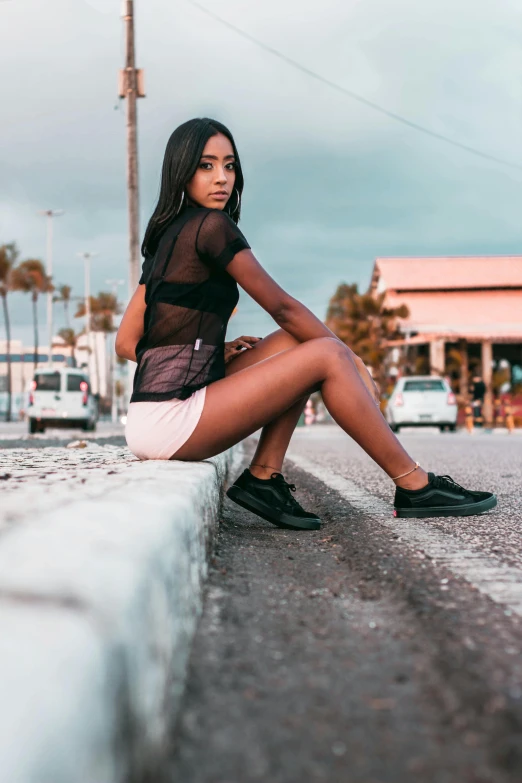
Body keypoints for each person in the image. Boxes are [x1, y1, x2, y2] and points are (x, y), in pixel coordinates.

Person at [116, 117, 497, 530]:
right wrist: (352, 360)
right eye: (206, 166)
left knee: (292, 343)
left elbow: (126, 342)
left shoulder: (167, 237)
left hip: (156, 413)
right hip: (170, 421)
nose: (221, 178)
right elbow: (283, 307)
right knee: (326, 354)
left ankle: (264, 476)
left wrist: (199, 356)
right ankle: (415, 485)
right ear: (181, 172)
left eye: (229, 166)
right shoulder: (211, 227)